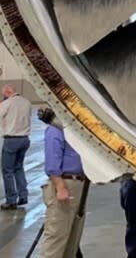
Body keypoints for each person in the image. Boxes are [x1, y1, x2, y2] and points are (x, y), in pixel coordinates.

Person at [39, 107, 87, 258]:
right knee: (56, 238)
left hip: (80, 185)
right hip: (65, 184)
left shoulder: (73, 129)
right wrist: (60, 187)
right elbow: (52, 163)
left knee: (71, 241)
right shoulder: (55, 129)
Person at [0, 84, 32, 210]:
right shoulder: (27, 102)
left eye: (4, 94)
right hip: (25, 139)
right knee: (18, 167)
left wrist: (2, 125)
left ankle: (11, 200)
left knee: (7, 171)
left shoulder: (7, 103)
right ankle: (23, 195)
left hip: (11, 139)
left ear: (8, 92)